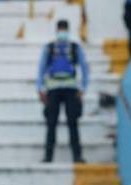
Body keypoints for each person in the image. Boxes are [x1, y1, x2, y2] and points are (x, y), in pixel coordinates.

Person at [37, 19, 90, 164]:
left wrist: (83, 87)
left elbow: (85, 68)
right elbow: (41, 69)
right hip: (53, 88)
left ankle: (77, 156)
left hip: (71, 87)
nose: (62, 32)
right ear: (56, 31)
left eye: (64, 29)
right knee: (51, 123)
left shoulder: (74, 47)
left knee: (73, 122)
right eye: (60, 29)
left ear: (68, 30)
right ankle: (48, 156)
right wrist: (40, 88)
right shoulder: (49, 48)